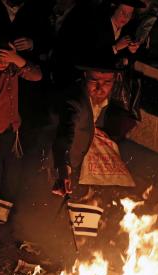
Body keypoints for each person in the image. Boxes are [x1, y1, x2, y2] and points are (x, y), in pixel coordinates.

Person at [0, 38, 42, 250]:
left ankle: (8, 227)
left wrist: (16, 59)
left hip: (13, 136)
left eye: (6, 57)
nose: (3, 62)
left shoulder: (12, 71)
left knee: (11, 183)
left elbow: (37, 76)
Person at [51, 56, 120, 200]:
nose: (100, 87)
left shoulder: (102, 98)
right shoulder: (75, 101)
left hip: (71, 164)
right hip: (52, 165)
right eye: (94, 81)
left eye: (107, 82)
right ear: (85, 76)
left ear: (115, 79)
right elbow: (65, 133)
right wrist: (63, 167)